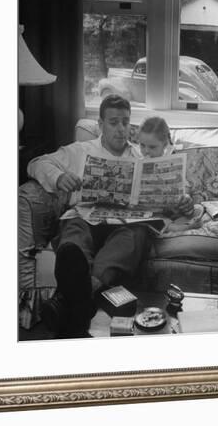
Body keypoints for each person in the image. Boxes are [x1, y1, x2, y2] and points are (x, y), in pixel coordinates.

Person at [27, 95, 150, 336]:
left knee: (135, 235)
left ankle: (73, 299)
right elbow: (35, 163)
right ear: (101, 124)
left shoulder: (141, 157)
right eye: (114, 122)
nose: (121, 129)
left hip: (123, 226)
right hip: (85, 217)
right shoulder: (79, 151)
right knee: (74, 231)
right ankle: (86, 297)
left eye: (125, 122)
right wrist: (59, 177)